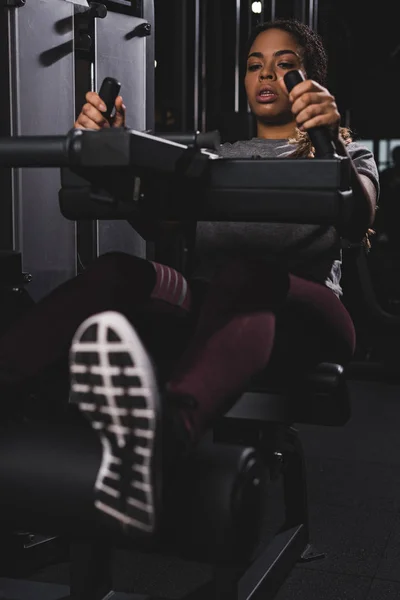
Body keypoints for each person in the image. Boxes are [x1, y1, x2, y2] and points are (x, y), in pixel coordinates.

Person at [0, 19, 378, 539]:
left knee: (247, 274)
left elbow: (358, 217)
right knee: (120, 272)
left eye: (285, 64)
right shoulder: (213, 157)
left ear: (310, 80)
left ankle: (165, 441)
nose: (266, 73)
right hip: (215, 306)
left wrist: (327, 138)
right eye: (254, 65)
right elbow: (159, 225)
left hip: (305, 316)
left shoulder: (347, 152)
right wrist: (109, 152)